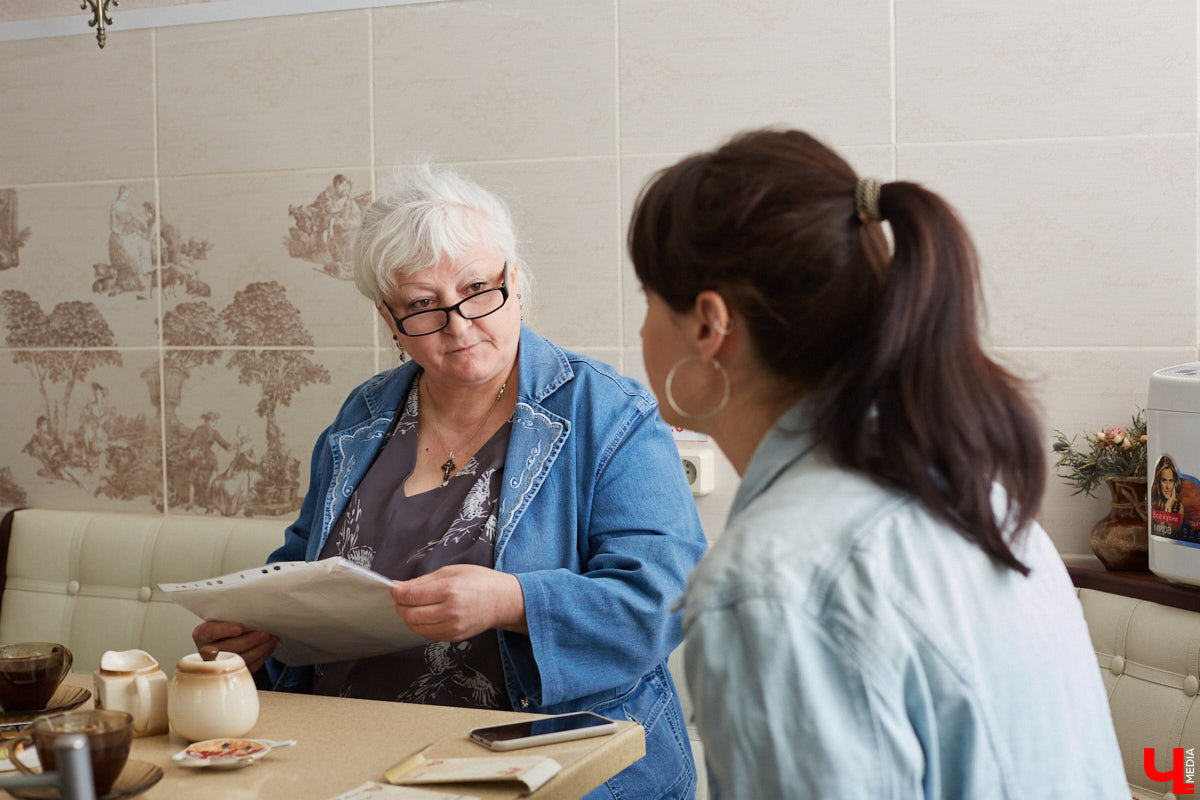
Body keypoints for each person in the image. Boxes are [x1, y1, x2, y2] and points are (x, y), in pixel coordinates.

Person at [628, 128, 1128, 798]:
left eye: (650, 300)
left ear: (708, 326)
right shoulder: (985, 506)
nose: (639, 333)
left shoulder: (771, 586)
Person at [194, 164, 708, 799]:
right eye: (421, 305)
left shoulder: (610, 415)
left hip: (541, 766)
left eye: (476, 290)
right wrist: (252, 634)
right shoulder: (363, 414)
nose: (459, 327)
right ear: (389, 317)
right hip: (348, 757)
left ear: (515, 282)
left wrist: (511, 601)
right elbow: (301, 563)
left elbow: (666, 598)